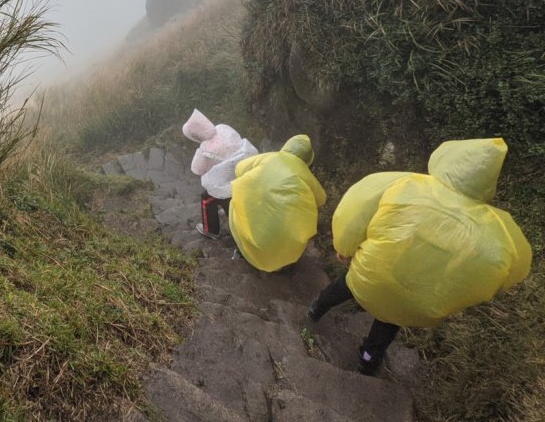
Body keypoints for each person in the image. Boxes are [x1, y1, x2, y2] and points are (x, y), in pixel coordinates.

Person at [307, 137, 531, 376]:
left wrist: (345, 248)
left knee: (349, 283)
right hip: (417, 301)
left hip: (373, 272)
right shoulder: (494, 227)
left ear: (451, 158)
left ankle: (316, 309)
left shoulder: (405, 183)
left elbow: (356, 209)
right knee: (390, 318)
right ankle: (367, 360)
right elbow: (516, 265)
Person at [228, 134, 326, 272]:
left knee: (237, 207)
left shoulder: (270, 157)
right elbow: (321, 199)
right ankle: (279, 265)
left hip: (252, 210)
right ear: (308, 158)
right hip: (283, 225)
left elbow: (239, 168)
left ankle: (243, 252)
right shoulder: (305, 174)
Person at [182, 109, 257, 239]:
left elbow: (197, 169)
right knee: (232, 201)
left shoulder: (205, 149)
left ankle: (212, 230)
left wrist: (200, 150)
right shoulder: (223, 128)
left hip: (230, 183)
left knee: (207, 199)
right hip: (247, 171)